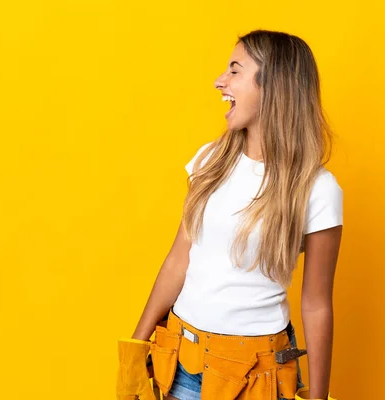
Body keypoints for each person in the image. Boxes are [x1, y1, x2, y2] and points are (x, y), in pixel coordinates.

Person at [117, 29, 343, 400]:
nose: (219, 81)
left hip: (260, 375)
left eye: (235, 70)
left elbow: (316, 303)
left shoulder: (317, 189)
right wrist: (136, 347)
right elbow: (179, 259)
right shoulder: (209, 162)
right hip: (184, 363)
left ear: (274, 85)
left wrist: (318, 397)